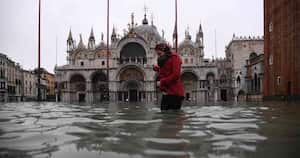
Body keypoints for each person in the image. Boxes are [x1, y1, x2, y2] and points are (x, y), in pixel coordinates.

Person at [153, 43, 184, 111]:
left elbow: (176, 75)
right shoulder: (165, 60)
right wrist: (157, 68)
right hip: (167, 92)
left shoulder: (175, 58)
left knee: (172, 117)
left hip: (174, 93)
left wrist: (162, 81)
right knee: (164, 114)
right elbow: (167, 71)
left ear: (165, 51)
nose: (158, 56)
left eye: (159, 54)